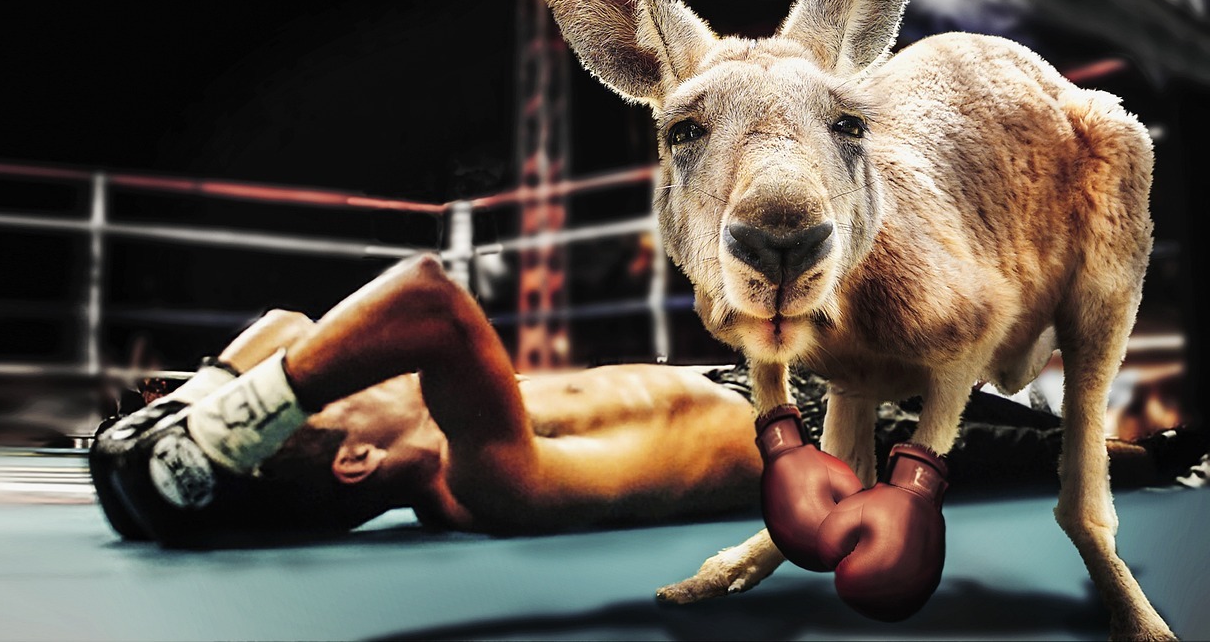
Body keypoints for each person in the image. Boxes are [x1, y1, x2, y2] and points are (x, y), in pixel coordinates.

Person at [93, 255, 1200, 549]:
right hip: (828, 448)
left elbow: (288, 322)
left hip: (754, 385)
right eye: (322, 408)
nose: (339, 374)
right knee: (1074, 454)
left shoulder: (430, 425)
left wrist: (210, 407)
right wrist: (236, 421)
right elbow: (424, 299)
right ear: (350, 462)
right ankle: (1175, 456)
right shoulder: (485, 475)